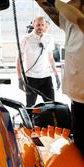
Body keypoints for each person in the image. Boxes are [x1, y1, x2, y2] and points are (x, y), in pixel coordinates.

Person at [36, 0, 84, 157]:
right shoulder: (70, 16)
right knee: (79, 148)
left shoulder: (76, 16)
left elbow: (78, 19)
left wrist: (55, 2)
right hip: (77, 98)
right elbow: (58, 15)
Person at [16, 16, 60, 107]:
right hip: (31, 78)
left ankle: (50, 121)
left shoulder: (49, 38)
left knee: (51, 105)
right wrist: (19, 79)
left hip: (46, 77)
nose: (40, 27)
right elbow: (19, 59)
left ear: (45, 26)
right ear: (33, 24)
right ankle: (30, 121)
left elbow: (51, 58)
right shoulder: (26, 39)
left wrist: (56, 75)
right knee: (30, 106)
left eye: (42, 25)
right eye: (38, 25)